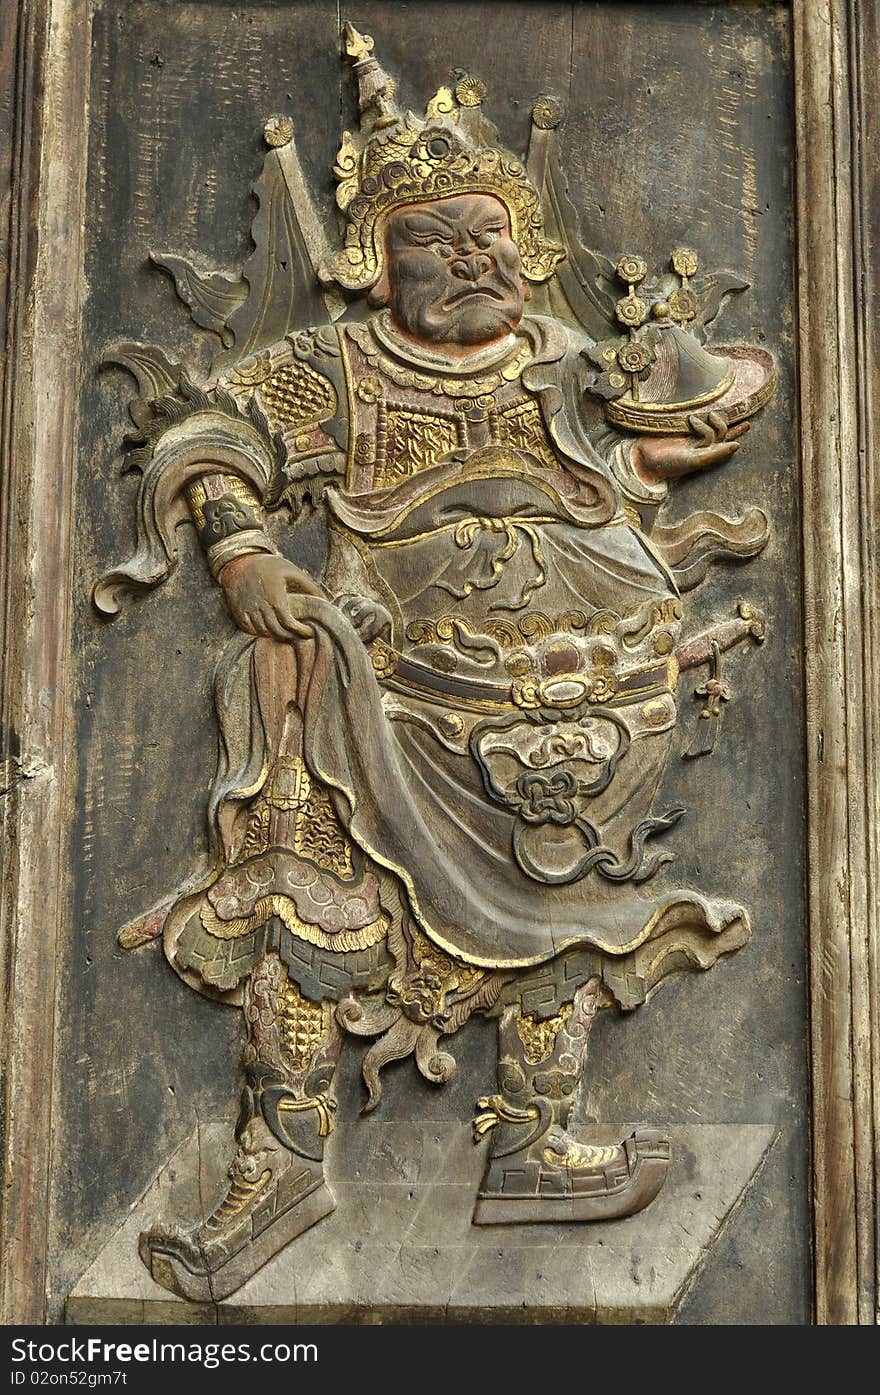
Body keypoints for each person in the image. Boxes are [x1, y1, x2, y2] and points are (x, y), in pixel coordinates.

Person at [99, 28, 771, 1302]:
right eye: (429, 239)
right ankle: (280, 1154)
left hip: (577, 697)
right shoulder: (337, 370)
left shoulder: (571, 369)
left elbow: (724, 389)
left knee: (566, 905)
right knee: (294, 876)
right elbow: (204, 428)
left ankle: (533, 1139)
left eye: (486, 236)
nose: (465, 259)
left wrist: (646, 464)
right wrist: (244, 554)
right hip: (386, 694)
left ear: (526, 254)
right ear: (370, 260)